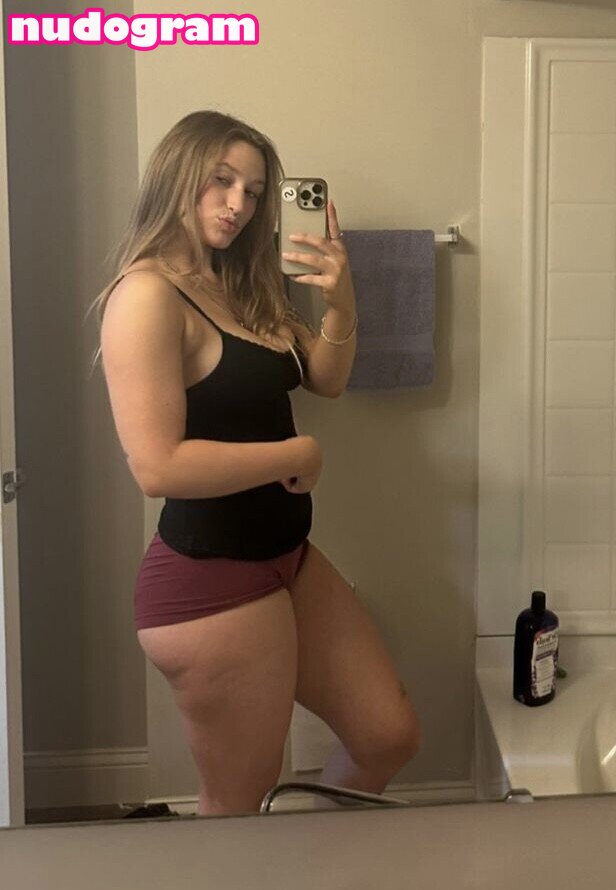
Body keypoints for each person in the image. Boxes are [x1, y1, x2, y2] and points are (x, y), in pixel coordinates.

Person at [88, 110, 420, 816]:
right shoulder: (146, 296)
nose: (237, 204)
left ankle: (310, 859)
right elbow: (157, 467)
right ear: (177, 175)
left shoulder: (238, 283)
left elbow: (325, 378)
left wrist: (340, 300)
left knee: (387, 736)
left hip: (286, 555)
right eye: (221, 180)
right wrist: (296, 453)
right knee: (238, 807)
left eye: (254, 191)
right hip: (208, 581)